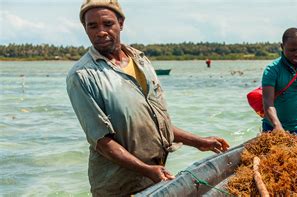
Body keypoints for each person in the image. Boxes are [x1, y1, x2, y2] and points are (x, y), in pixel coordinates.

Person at [66, 0, 229, 196]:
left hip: (155, 177)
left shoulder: (140, 60)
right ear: (85, 28)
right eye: (92, 26)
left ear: (121, 23)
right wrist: (147, 170)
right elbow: (102, 143)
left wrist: (200, 142)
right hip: (117, 186)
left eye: (108, 24)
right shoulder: (82, 76)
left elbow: (156, 125)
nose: (101, 31)